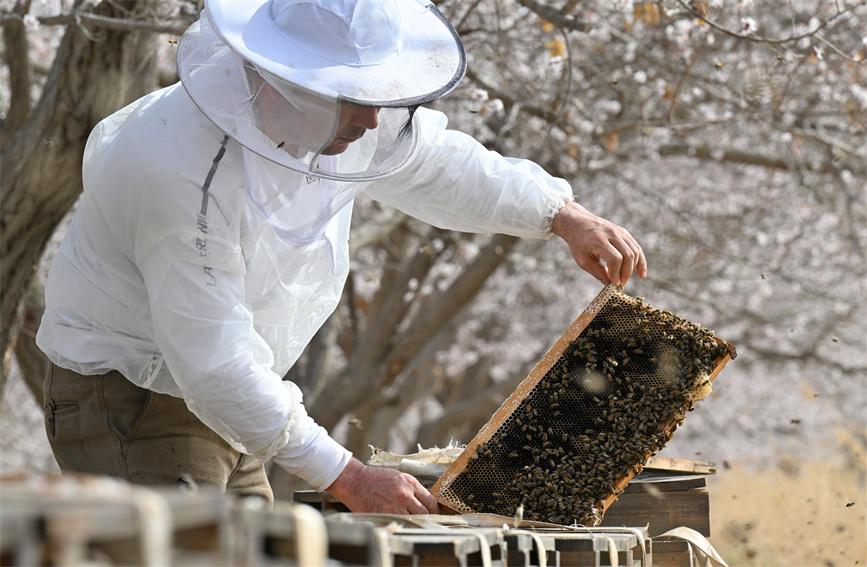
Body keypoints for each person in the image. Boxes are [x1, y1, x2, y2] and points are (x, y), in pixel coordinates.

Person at [36, 0, 646, 515]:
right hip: (135, 393)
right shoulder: (176, 168)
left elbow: (437, 164)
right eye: (354, 98)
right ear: (283, 77)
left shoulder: (334, 111)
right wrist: (349, 478)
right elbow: (213, 361)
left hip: (239, 394)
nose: (372, 118)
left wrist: (561, 215)